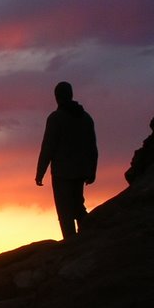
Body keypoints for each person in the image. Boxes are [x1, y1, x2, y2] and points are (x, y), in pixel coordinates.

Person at [36, 81, 98, 240]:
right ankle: (87, 238)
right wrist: (92, 171)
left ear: (57, 97)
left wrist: (40, 173)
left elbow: (48, 147)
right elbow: (93, 147)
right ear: (70, 95)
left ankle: (71, 244)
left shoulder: (56, 118)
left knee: (65, 213)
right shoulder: (86, 118)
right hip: (81, 171)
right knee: (78, 207)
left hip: (62, 173)